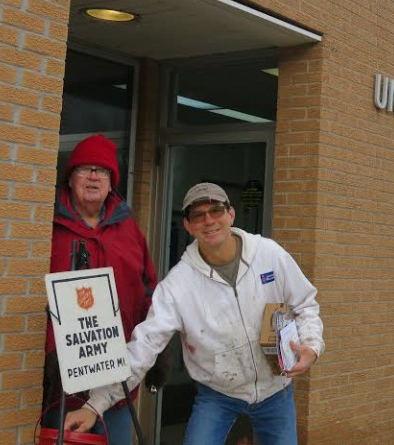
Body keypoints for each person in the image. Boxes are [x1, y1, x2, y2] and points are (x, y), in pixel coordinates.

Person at [63, 182, 325, 445]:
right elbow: (144, 346)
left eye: (216, 210)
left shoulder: (269, 255)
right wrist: (94, 405)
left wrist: (312, 346)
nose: (208, 220)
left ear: (230, 214)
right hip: (218, 394)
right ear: (188, 225)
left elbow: (305, 304)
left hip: (275, 391)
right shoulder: (178, 285)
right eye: (198, 215)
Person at [42, 134, 159, 445]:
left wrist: (154, 350)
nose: (93, 177)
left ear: (112, 182)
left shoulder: (129, 230)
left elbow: (150, 290)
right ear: (70, 179)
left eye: (102, 171)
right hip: (60, 378)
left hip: (116, 372)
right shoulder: (47, 225)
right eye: (84, 169)